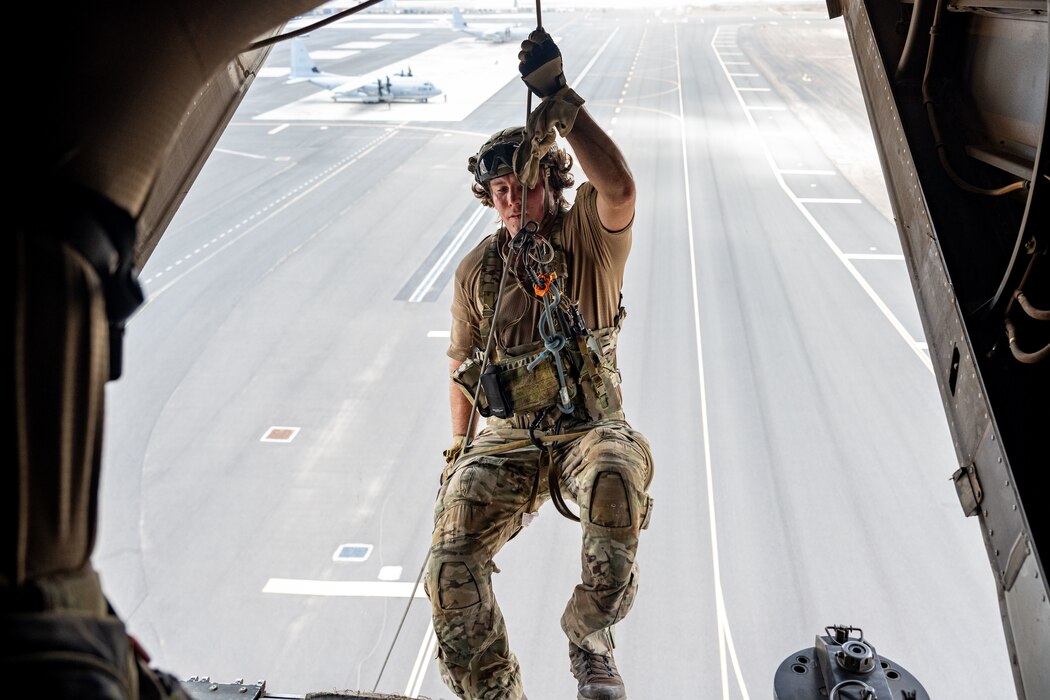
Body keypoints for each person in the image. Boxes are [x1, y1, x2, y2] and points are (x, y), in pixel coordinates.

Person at [425, 29, 655, 700]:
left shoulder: (587, 234)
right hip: (510, 441)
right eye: (497, 190)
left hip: (588, 429)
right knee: (449, 564)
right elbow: (462, 364)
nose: (508, 200)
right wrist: (456, 456)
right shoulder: (478, 272)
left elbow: (619, 187)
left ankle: (588, 635)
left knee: (616, 476)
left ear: (550, 184)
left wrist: (562, 103)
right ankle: (494, 691)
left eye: (521, 186)